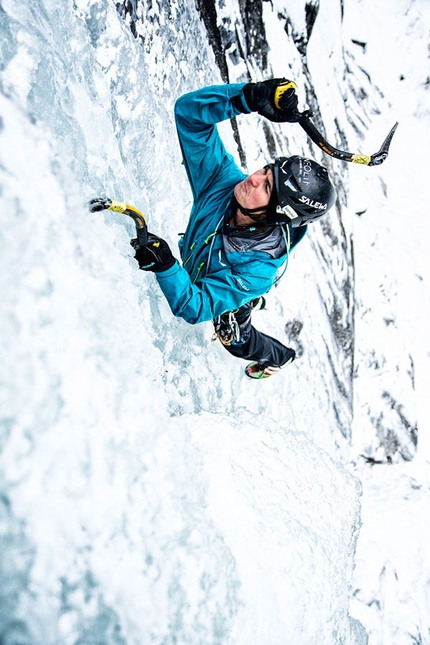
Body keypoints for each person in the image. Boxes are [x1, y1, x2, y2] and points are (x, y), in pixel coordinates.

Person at [132, 79, 336, 379]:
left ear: (279, 213)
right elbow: (188, 114)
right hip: (224, 271)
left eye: (266, 187)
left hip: (239, 284)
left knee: (235, 339)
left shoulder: (257, 270)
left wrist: (165, 265)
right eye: (265, 169)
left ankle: (281, 357)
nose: (253, 177)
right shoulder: (222, 182)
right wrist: (248, 98)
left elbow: (194, 306)